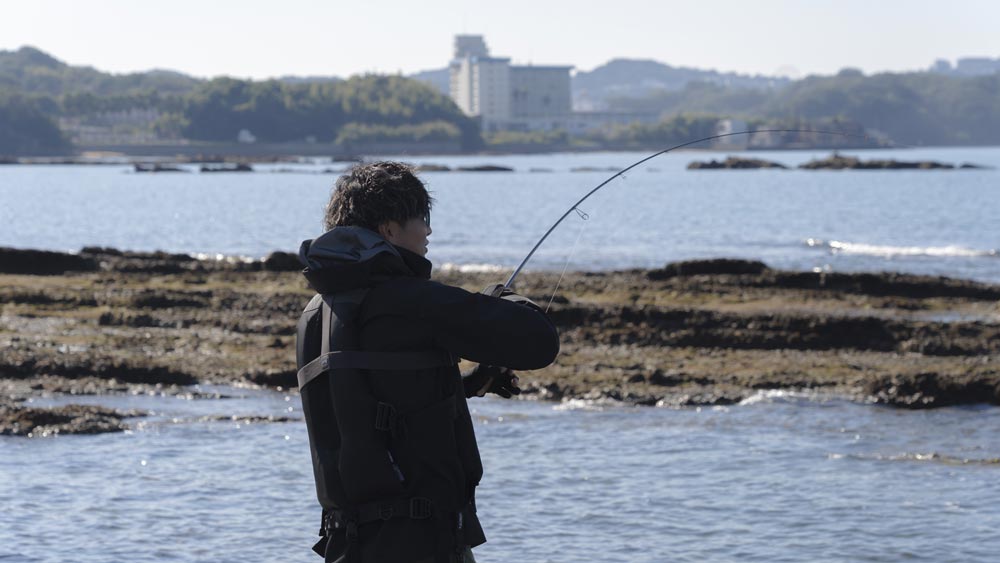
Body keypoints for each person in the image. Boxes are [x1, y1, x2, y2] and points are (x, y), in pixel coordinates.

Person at [295, 161, 560, 563]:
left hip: (346, 544)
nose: (429, 230)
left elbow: (365, 402)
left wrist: (467, 383)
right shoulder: (412, 300)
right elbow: (540, 343)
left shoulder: (314, 315)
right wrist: (501, 299)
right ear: (388, 230)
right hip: (422, 542)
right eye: (422, 217)